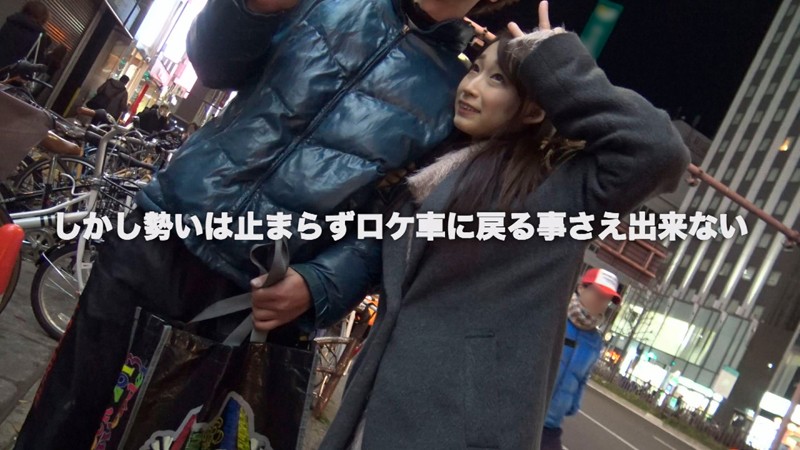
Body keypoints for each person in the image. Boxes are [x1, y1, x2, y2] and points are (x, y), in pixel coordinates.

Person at [14, 0, 521, 447]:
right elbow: (214, 65)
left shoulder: (459, 90)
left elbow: (399, 224)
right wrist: (251, 8)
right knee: (64, 412)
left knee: (162, 434)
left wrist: (321, 283)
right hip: (159, 235)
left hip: (252, 298)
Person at [319, 3, 690, 448]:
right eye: (475, 70)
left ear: (534, 110)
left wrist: (554, 61)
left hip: (462, 431)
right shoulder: (434, 171)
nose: (471, 87)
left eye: (497, 79)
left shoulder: (557, 191)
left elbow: (658, 150)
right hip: (378, 411)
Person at [541, 268, 622, 450]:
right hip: (524, 412)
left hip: (551, 424)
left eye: (607, 299)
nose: (601, 302)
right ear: (581, 288)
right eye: (598, 294)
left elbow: (583, 377)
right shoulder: (555, 317)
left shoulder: (594, 341)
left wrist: (573, 403)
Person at [0, 1, 50, 69]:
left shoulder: (12, 21)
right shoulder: (39, 35)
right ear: (43, 18)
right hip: (9, 71)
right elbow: (38, 61)